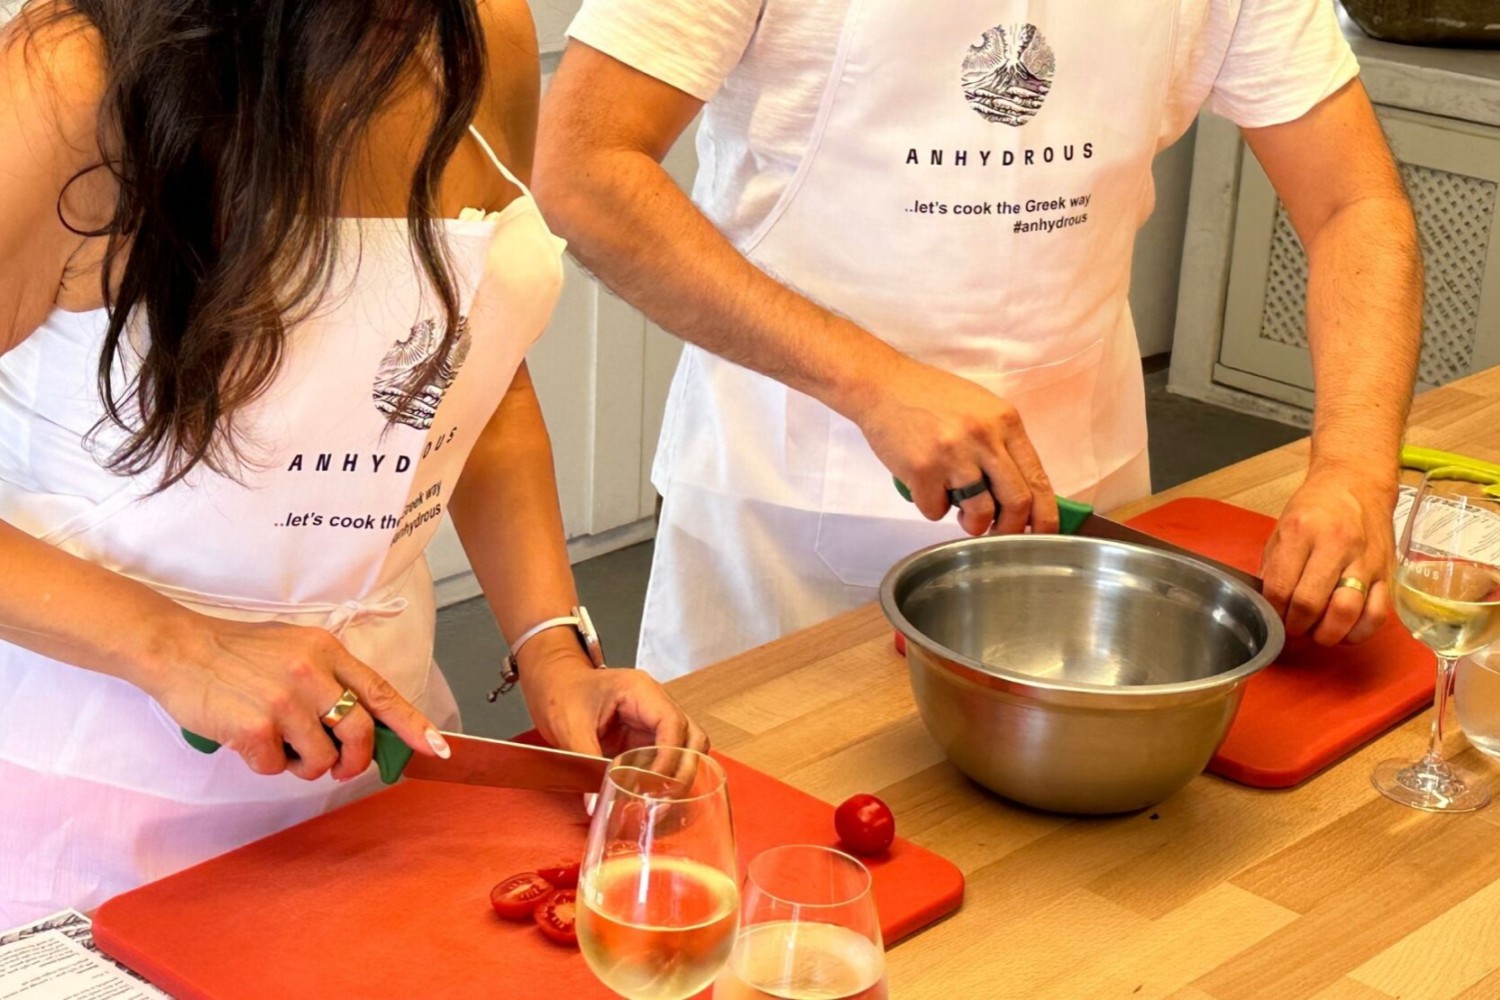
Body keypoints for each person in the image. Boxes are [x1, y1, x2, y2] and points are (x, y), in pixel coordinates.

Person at [0, 0, 705, 926]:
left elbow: (473, 385)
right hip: (89, 805)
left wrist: (552, 651)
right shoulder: (70, 82)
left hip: (376, 764)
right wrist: (177, 646)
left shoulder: (481, 35)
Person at [533, 0, 1424, 681]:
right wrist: (874, 382)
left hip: (1084, 498)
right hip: (790, 512)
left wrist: (1354, 470)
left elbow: (1354, 205)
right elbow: (583, 174)